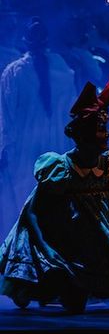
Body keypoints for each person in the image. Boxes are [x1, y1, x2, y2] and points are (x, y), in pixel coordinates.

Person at [0, 69, 109, 313]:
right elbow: (32, 213)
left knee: (93, 291)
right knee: (66, 294)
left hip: (92, 244)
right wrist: (47, 250)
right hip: (61, 241)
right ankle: (34, 287)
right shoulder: (61, 169)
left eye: (105, 127)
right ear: (83, 135)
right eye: (100, 128)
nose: (107, 134)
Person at [0, 17, 77, 229]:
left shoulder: (14, 72)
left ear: (25, 41)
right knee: (53, 201)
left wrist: (5, 148)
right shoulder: (62, 68)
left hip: (26, 149)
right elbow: (73, 113)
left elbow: (6, 117)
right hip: (56, 146)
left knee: (25, 201)